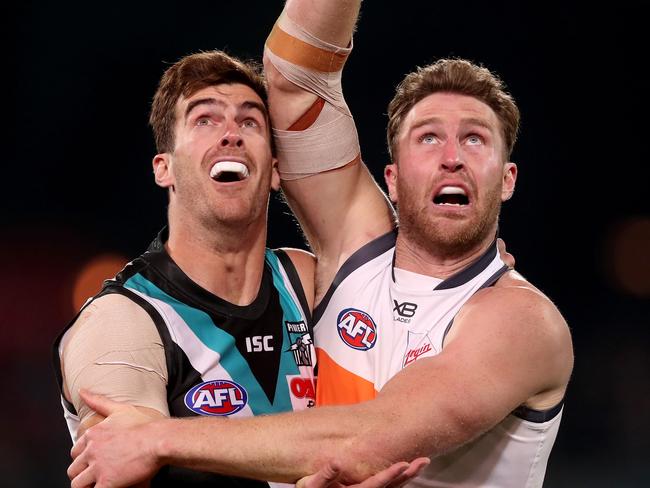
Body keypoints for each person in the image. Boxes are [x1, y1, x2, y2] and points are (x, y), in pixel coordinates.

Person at [67, 0, 573, 487]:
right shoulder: (341, 266)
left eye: (475, 139)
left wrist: (158, 439)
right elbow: (295, 72)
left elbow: (367, 441)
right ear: (391, 180)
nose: (452, 158)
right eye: (428, 137)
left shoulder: (522, 321)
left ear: (506, 179)